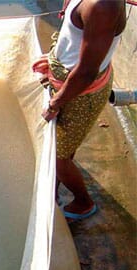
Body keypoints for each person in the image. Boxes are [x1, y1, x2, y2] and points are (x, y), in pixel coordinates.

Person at [35, 0, 126, 222]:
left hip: (79, 95)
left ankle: (83, 203)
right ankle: (54, 187)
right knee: (64, 148)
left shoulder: (102, 7)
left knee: (57, 157)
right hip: (73, 86)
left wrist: (56, 102)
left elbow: (85, 71)